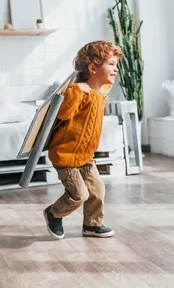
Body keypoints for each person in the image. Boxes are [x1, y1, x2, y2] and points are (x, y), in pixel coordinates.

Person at [43, 40, 122, 239]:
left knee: (97, 190)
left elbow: (101, 91)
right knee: (79, 195)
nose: (116, 69)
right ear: (93, 68)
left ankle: (92, 225)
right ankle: (53, 213)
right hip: (66, 157)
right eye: (111, 64)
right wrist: (77, 90)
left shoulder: (99, 94)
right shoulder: (77, 91)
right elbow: (62, 113)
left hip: (86, 156)